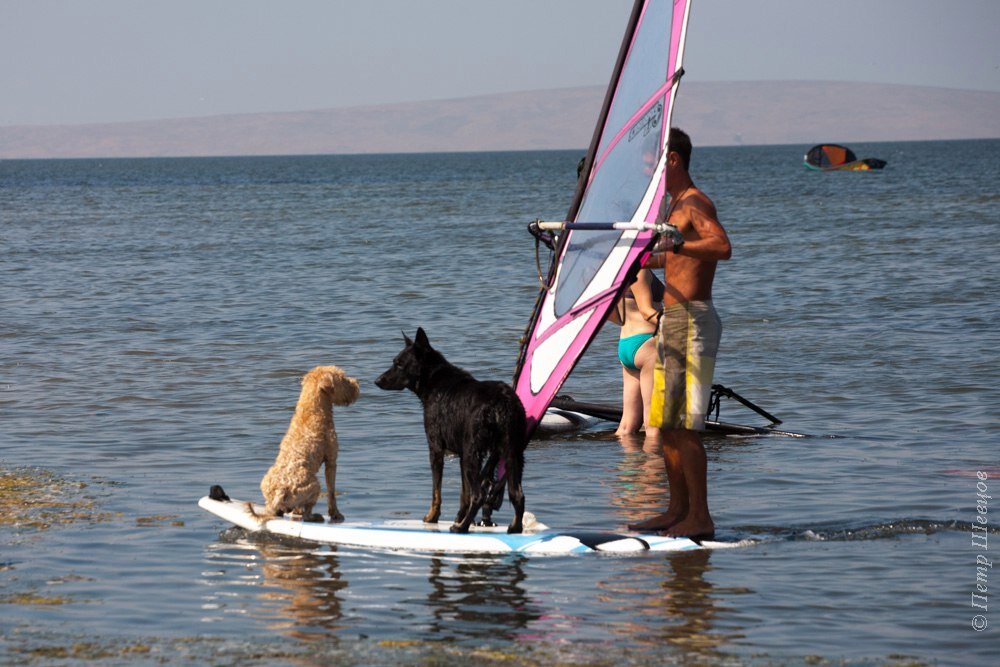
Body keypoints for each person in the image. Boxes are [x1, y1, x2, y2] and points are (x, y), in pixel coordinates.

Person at [629, 128, 731, 539]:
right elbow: (671, 259)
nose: (646, 170)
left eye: (650, 161)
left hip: (693, 318)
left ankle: (701, 517)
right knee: (666, 423)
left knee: (685, 426)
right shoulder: (674, 207)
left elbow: (722, 246)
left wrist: (676, 247)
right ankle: (676, 510)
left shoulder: (694, 202)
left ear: (672, 159)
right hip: (673, 319)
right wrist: (631, 259)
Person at [608, 269, 663, 436]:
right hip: (648, 344)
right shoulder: (640, 270)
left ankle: (627, 462)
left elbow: (609, 314)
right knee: (653, 424)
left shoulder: (612, 272)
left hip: (626, 343)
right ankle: (654, 462)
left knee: (627, 425)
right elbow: (647, 312)